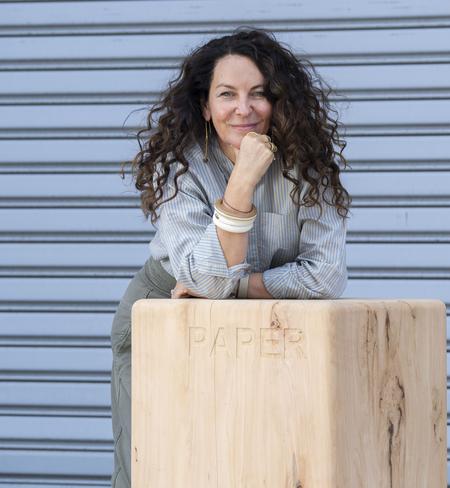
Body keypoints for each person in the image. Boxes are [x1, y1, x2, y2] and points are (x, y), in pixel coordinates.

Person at [110, 27, 351, 487]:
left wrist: (238, 286)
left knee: (250, 466)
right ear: (205, 106)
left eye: (258, 93)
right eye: (227, 94)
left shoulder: (311, 166)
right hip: (166, 314)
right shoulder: (177, 166)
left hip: (267, 324)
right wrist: (241, 182)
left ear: (279, 101)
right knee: (155, 468)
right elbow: (203, 278)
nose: (244, 109)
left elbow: (325, 277)